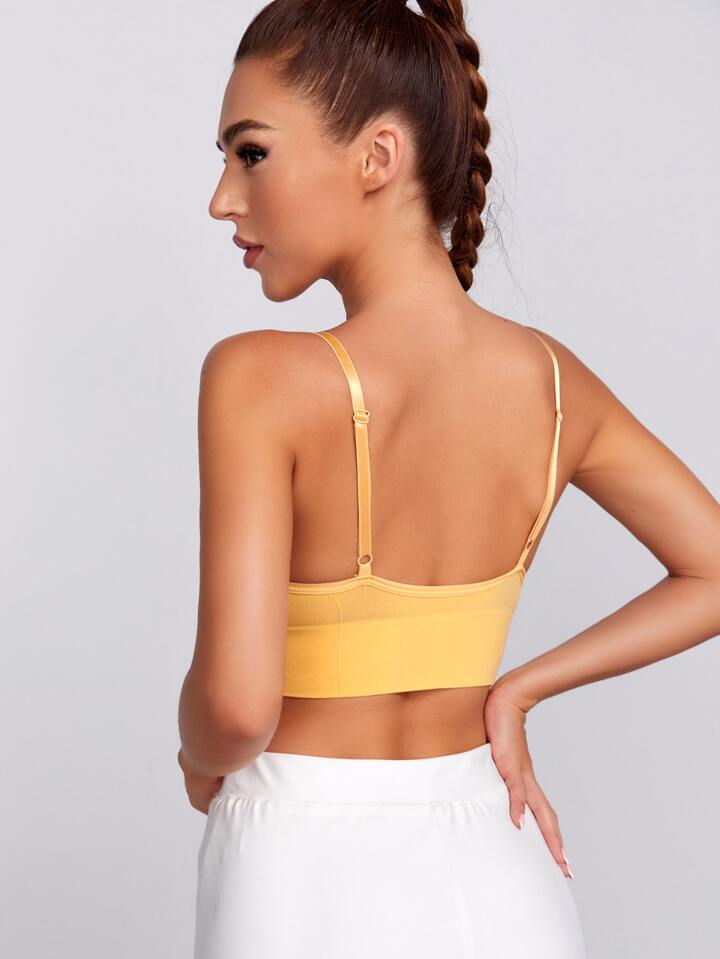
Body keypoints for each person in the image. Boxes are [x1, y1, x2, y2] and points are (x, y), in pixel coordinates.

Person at [177, 2, 720, 956]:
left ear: (377, 156)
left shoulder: (258, 378)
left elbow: (235, 707)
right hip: (499, 863)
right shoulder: (553, 383)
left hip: (301, 865)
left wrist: (197, 756)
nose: (224, 198)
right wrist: (518, 690)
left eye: (250, 153)